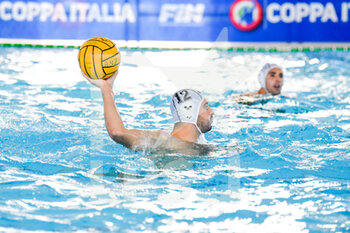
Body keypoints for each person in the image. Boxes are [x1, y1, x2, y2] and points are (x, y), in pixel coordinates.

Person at [83, 72, 215, 155]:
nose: (211, 111)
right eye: (205, 107)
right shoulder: (161, 141)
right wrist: (107, 88)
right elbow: (117, 132)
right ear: (189, 113)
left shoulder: (202, 148)